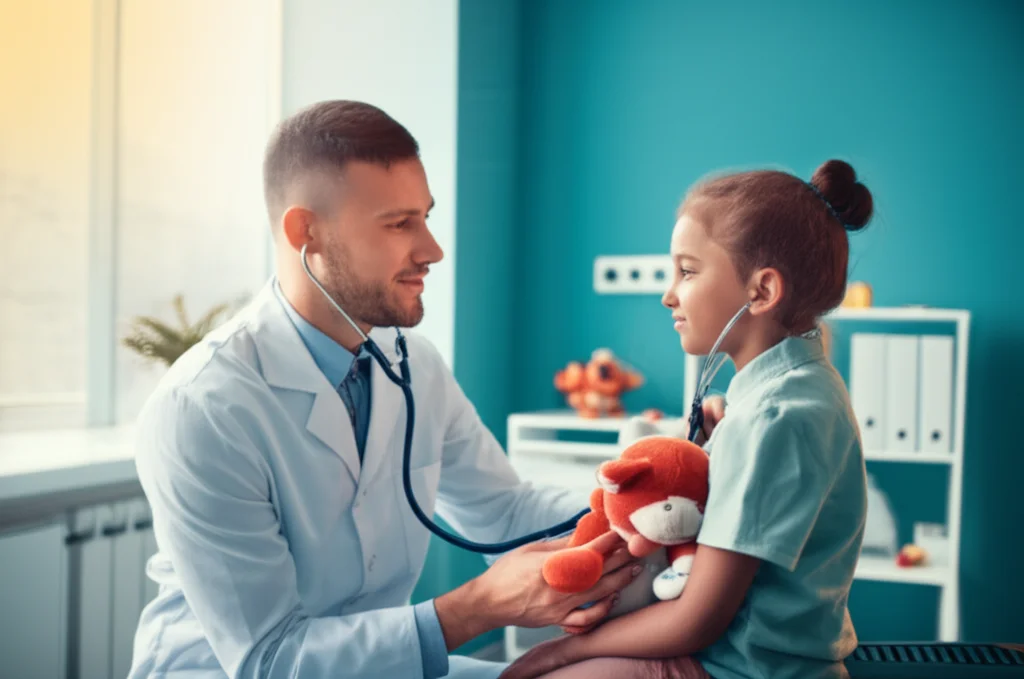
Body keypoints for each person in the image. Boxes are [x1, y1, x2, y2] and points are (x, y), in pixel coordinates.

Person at [127, 100, 646, 679]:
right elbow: (269, 660)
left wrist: (637, 505)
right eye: (401, 224)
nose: (432, 250)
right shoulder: (203, 407)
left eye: (425, 217)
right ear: (306, 232)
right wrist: (477, 608)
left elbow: (505, 512)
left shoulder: (413, 365)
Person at [500, 159, 873, 679]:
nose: (668, 293)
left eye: (688, 270)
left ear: (761, 292)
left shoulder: (771, 417)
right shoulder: (800, 392)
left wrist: (562, 651)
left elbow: (696, 619)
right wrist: (715, 452)